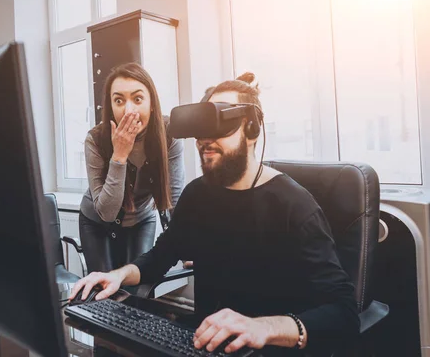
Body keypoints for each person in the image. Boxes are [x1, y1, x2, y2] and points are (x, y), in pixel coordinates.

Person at [70, 73, 359, 355]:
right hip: (203, 346)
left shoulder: (294, 206)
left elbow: (344, 313)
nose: (205, 140)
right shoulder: (198, 195)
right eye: (202, 128)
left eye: (221, 126)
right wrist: (117, 276)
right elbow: (159, 258)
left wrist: (263, 328)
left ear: (251, 130)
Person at [79, 62, 185, 274]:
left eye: (137, 99)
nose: (129, 111)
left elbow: (174, 199)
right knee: (103, 292)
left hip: (141, 220)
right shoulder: (96, 140)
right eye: (119, 100)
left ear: (152, 104)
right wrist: (119, 155)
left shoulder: (169, 135)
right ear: (110, 107)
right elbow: (107, 213)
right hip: (96, 222)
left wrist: (186, 247)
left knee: (138, 287)